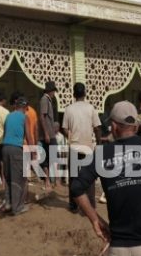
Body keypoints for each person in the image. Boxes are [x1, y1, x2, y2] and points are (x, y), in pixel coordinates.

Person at [71, 101, 141, 256]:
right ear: (136, 126)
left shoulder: (102, 153)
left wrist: (95, 219)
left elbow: (76, 187)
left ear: (114, 127)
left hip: (118, 248)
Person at [61, 82, 102, 213]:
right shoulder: (91, 108)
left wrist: (71, 137)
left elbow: (64, 128)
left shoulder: (68, 109)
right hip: (87, 147)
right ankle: (90, 206)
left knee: (73, 176)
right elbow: (97, 128)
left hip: (74, 146)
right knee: (89, 177)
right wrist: (99, 143)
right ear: (84, 93)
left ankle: (73, 205)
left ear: (74, 94)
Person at [1, 96, 35, 215]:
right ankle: (17, 208)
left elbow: (5, 133)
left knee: (8, 177)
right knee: (19, 179)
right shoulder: (24, 117)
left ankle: (8, 203)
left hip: (5, 148)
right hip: (16, 149)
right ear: (25, 107)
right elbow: (29, 136)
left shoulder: (9, 116)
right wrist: (33, 153)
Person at [39, 81, 59, 192]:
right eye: (54, 91)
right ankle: (48, 181)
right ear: (50, 91)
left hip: (50, 133)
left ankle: (52, 181)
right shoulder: (44, 99)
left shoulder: (48, 100)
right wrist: (46, 133)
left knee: (51, 157)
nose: (54, 94)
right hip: (48, 135)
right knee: (47, 158)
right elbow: (42, 117)